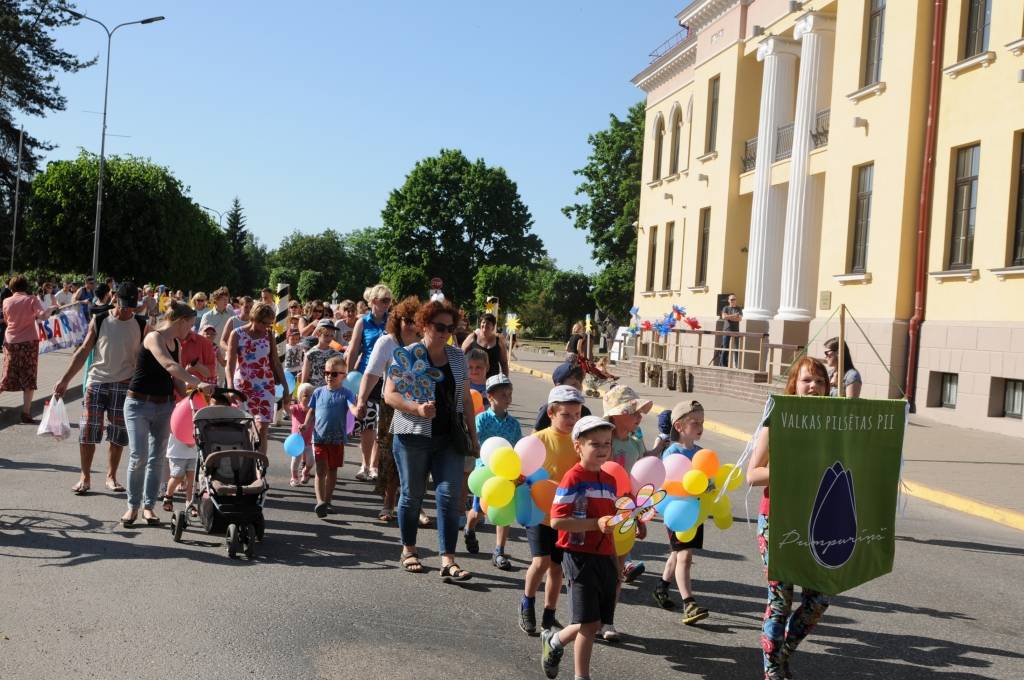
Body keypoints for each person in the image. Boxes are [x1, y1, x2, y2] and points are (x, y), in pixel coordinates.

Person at [747, 357, 831, 680]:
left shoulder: (832, 423)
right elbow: (752, 474)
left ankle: (780, 655)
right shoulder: (776, 419)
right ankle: (772, 672)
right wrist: (790, 469)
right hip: (778, 521)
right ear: (794, 384)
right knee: (780, 601)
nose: (814, 387)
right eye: (807, 380)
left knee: (819, 599)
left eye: (820, 382)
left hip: (815, 526)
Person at [384, 298, 478, 581]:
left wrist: (474, 436)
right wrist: (417, 408)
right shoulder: (408, 354)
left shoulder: (458, 357)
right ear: (425, 325)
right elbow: (389, 394)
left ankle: (448, 559)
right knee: (412, 495)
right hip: (413, 435)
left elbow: (467, 399)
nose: (446, 332)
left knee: (450, 496)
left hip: (449, 437)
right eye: (440, 327)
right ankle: (409, 549)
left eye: (451, 328)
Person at [122, 301, 215, 527]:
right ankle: (132, 506)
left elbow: (176, 382)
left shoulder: (177, 343)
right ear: (180, 321)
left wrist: (193, 398)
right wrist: (198, 382)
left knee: (156, 458)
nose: (190, 330)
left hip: (164, 406)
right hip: (138, 404)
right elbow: (168, 365)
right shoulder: (154, 337)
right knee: (139, 456)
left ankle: (148, 507)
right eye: (190, 325)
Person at [540, 415, 619, 680]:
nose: (602, 449)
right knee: (587, 624)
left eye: (606, 443)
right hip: (579, 556)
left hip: (606, 556)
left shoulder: (610, 480)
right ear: (578, 447)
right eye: (594, 444)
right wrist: (596, 523)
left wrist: (633, 522)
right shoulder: (572, 478)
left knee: (594, 623)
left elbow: (610, 520)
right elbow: (557, 520)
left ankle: (555, 641)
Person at [54, 282, 148, 494]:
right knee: (88, 430)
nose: (128, 311)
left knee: (118, 433)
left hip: (125, 384)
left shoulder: (142, 325)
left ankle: (111, 477)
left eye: (132, 307)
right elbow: (83, 351)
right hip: (97, 381)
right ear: (115, 299)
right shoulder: (100, 319)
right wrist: (64, 380)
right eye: (125, 306)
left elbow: (148, 357)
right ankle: (84, 477)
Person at [520, 385, 585, 636]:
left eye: (577, 414)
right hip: (538, 512)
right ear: (551, 412)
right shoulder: (538, 439)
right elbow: (521, 469)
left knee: (558, 567)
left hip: (564, 516)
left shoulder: (579, 442)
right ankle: (527, 602)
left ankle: (549, 612)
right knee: (541, 562)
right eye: (566, 415)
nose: (572, 420)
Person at [600, 384, 664, 639]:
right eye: (633, 411)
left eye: (639, 412)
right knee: (598, 568)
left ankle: (608, 620)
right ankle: (589, 615)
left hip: (627, 515)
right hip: (602, 512)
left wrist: (641, 517)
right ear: (616, 415)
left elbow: (639, 485)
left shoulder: (636, 444)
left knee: (617, 569)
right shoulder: (603, 441)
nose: (639, 416)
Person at [355, 295, 422, 522]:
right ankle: (388, 503)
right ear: (398, 320)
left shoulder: (424, 343)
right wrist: (362, 400)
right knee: (391, 456)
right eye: (407, 320)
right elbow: (371, 374)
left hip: (419, 406)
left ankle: (416, 505)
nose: (411, 325)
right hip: (391, 406)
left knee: (419, 457)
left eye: (416, 320)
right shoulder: (387, 342)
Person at [653, 400, 711, 625]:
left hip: (695, 511)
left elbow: (707, 478)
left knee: (678, 554)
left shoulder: (701, 453)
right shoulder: (672, 452)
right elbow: (669, 482)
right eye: (695, 422)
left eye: (702, 422)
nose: (700, 426)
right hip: (676, 511)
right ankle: (689, 603)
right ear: (678, 426)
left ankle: (661, 588)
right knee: (685, 555)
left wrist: (710, 485)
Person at [469, 373, 521, 569]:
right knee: (479, 512)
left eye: (509, 394)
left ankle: (499, 550)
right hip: (485, 474)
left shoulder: (514, 424)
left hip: (506, 474)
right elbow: (478, 445)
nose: (507, 399)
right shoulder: (481, 419)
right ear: (490, 397)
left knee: (503, 512)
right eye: (503, 395)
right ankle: (469, 528)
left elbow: (517, 448)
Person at [226, 302, 289, 452]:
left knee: (262, 428)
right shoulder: (237, 334)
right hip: (243, 385)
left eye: (269, 323)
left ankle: (260, 469)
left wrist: (286, 387)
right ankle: (245, 462)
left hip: (265, 385)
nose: (266, 326)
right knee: (244, 426)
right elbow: (229, 364)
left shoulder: (268, 335)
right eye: (264, 323)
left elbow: (275, 361)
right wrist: (230, 388)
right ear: (254, 318)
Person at [347, 283, 393, 482]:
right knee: (367, 422)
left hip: (388, 377)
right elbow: (354, 349)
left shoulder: (392, 322)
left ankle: (375, 465)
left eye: (389, 301)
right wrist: (348, 378)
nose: (387, 304)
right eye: (384, 300)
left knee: (383, 423)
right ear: (373, 301)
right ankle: (364, 464)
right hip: (367, 376)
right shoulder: (362, 322)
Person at [302, 357, 355, 517]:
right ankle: (320, 502)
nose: (329, 376)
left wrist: (357, 411)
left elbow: (352, 407)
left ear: (343, 376)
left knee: (332, 470)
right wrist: (305, 424)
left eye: (334, 374)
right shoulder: (318, 392)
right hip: (319, 437)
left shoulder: (346, 393)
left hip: (337, 439)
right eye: (326, 373)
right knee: (320, 469)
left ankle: (328, 500)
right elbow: (311, 411)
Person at [2, 275, 56, 424]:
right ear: (26, 286)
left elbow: (7, 320)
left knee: (7, 374)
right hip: (28, 342)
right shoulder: (32, 299)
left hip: (10, 341)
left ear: (12, 287)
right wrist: (51, 308)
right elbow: (43, 317)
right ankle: (26, 413)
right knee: (29, 376)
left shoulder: (6, 301)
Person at [534, 361, 592, 431]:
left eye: (580, 383)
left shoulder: (584, 411)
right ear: (559, 386)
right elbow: (535, 435)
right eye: (574, 384)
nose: (579, 387)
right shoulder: (550, 408)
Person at [199, 287, 233, 385]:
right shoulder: (207, 316)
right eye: (223, 299)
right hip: (210, 353)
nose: (226, 301)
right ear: (216, 300)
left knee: (222, 381)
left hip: (225, 353)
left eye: (227, 299)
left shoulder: (232, 314)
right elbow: (201, 335)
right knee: (208, 379)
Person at [461, 312, 509, 377]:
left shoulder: (499, 340)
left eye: (488, 323)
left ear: (493, 326)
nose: (485, 325)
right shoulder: (473, 337)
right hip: (473, 379)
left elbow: (504, 363)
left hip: (492, 381)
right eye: (483, 322)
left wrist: (505, 381)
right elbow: (461, 356)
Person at [301, 319, 342, 388]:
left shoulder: (336, 354)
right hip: (314, 392)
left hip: (330, 391)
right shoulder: (310, 354)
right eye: (326, 335)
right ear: (318, 334)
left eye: (331, 336)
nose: (329, 338)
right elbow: (304, 378)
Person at [289, 383, 315, 486]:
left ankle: (306, 471)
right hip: (297, 442)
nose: (308, 398)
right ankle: (294, 477)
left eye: (311, 396)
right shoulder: (296, 408)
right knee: (295, 460)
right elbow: (287, 408)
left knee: (311, 461)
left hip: (309, 442)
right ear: (300, 397)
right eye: (305, 395)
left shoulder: (314, 411)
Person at [719, 294, 743, 367]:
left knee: (736, 349)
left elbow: (739, 319)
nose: (733, 301)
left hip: (736, 331)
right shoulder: (725, 308)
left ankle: (737, 366)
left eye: (734, 299)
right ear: (728, 300)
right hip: (727, 330)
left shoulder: (738, 308)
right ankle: (723, 365)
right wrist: (734, 316)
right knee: (725, 348)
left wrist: (728, 317)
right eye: (731, 299)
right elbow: (724, 317)